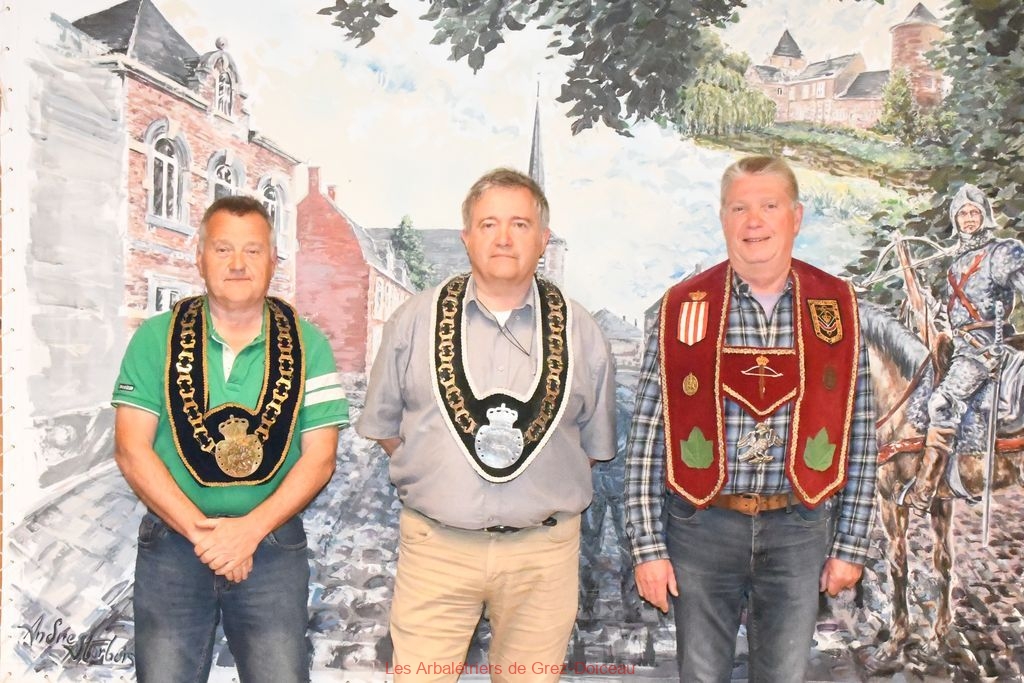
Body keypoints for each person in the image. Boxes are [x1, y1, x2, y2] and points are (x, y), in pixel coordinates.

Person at [624, 156, 878, 682]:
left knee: (784, 676)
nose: (754, 221)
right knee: (701, 676)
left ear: (796, 217)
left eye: (769, 205)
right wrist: (648, 548)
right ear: (723, 219)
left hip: (800, 528)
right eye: (739, 208)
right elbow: (647, 437)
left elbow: (859, 433)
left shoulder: (836, 306)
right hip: (700, 525)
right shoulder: (683, 307)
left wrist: (851, 545)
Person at [358, 168, 616, 681]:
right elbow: (387, 429)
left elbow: (590, 447)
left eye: (520, 224)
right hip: (437, 552)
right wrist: (441, 476)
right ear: (466, 237)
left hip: (543, 559)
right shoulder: (413, 320)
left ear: (543, 239)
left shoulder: (583, 331)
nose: (503, 238)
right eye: (488, 224)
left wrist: (532, 490)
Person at [111, 195, 348, 683]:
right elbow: (131, 450)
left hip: (272, 544)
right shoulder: (155, 338)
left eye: (252, 250)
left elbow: (321, 458)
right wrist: (205, 535)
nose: (238, 264)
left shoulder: (310, 344)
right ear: (200, 258)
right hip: (174, 543)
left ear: (273, 260)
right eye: (223, 249)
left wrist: (248, 531)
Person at [899, 183, 1024, 511]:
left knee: (941, 402)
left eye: (974, 212)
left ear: (985, 215)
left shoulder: (1002, 253)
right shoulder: (955, 264)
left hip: (985, 348)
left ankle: (924, 490)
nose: (968, 218)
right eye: (962, 214)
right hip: (959, 347)